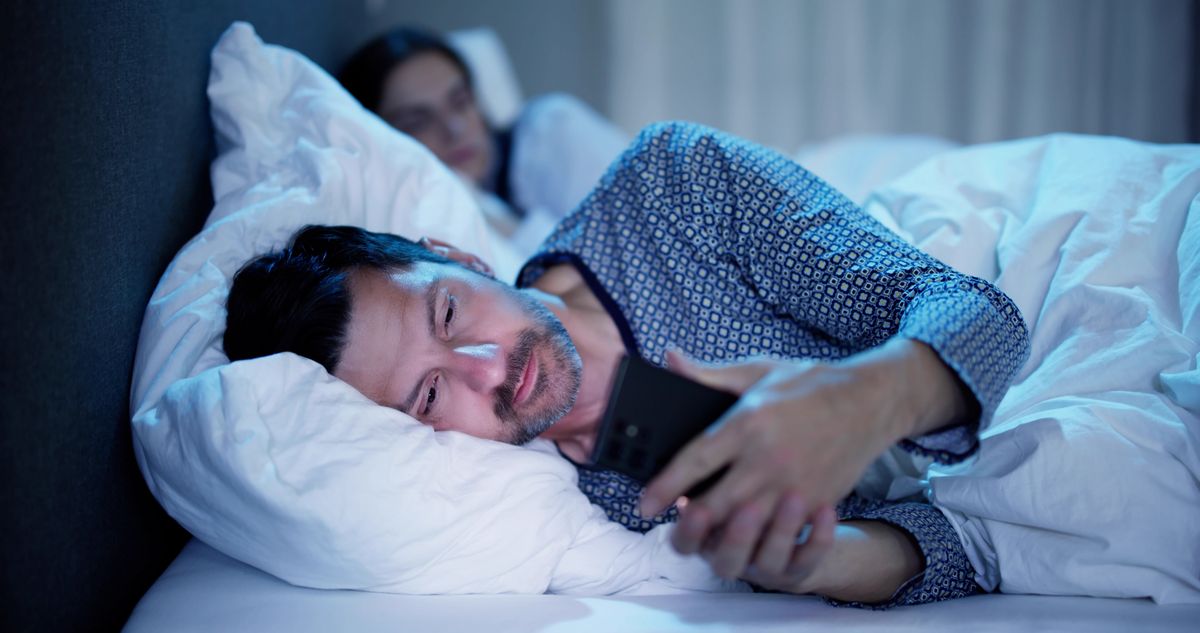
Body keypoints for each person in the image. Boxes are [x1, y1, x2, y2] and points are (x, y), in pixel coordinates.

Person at [223, 122, 1029, 607]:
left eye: (448, 312)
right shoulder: (578, 511)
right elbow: (972, 555)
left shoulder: (672, 187)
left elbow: (977, 314)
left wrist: (856, 405)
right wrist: (819, 562)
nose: (486, 366)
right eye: (430, 393)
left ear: (459, 256)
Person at [338, 26, 627, 251]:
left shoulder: (551, 131)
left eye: (461, 101)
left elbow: (623, 258)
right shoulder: (411, 221)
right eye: (418, 121)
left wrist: (501, 222)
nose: (454, 127)